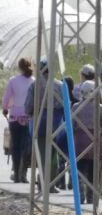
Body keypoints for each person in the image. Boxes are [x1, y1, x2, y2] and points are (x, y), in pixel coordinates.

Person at [24, 58, 64, 193]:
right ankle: (51, 184)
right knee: (53, 155)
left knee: (42, 155)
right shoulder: (59, 85)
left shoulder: (34, 86)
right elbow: (67, 107)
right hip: (56, 125)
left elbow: (28, 107)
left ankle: (43, 183)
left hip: (39, 125)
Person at [70, 81, 102, 204]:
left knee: (79, 170)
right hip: (95, 143)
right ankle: (91, 197)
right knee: (93, 171)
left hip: (79, 142)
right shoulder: (100, 108)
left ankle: (80, 195)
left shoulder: (75, 107)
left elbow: (71, 126)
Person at [2, 58, 35, 183]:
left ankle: (16, 173)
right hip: (29, 117)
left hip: (15, 118)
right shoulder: (34, 81)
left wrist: (5, 108)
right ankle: (23, 174)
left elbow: (7, 97)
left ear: (19, 67)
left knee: (15, 145)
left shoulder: (13, 81)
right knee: (26, 146)